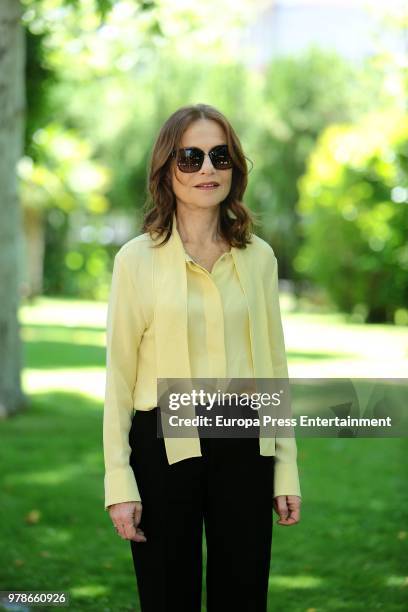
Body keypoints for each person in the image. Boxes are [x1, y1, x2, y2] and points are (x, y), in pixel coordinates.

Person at [103, 103, 302, 612]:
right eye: (191, 157)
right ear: (166, 168)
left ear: (234, 168)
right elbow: (119, 381)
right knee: (168, 597)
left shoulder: (258, 258)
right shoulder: (135, 260)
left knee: (243, 596)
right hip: (161, 446)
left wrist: (285, 470)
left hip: (244, 442)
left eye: (220, 156)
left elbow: (273, 370)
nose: (207, 169)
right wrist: (119, 480)